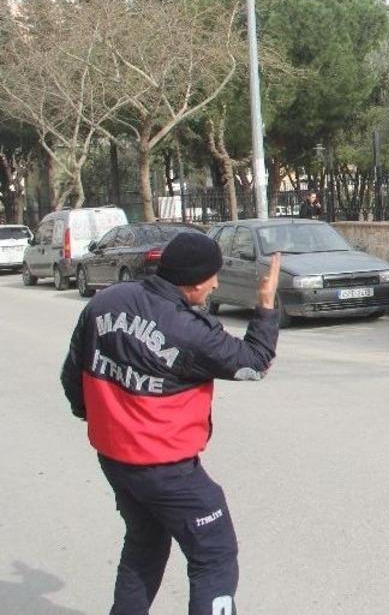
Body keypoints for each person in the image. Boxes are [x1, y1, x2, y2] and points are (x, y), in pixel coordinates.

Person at [60, 231, 282, 615]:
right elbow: (254, 362)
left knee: (144, 544)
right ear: (194, 280)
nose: (215, 284)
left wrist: (101, 418)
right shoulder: (189, 329)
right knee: (214, 552)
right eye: (212, 277)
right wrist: (265, 306)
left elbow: (72, 374)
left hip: (115, 460)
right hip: (167, 469)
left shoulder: (106, 301)